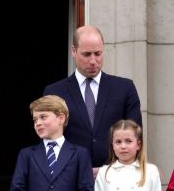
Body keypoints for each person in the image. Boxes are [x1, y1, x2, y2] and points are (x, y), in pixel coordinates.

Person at [43, 25, 142, 177]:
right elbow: (50, 141)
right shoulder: (54, 92)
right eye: (87, 54)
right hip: (70, 178)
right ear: (73, 51)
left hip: (117, 177)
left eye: (98, 53)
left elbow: (134, 135)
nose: (93, 61)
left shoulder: (124, 88)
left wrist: (108, 171)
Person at [10, 95, 94, 191]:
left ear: (61, 118)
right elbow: (17, 188)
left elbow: (86, 188)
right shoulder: (26, 154)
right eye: (35, 119)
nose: (38, 123)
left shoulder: (80, 154)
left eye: (43, 117)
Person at [94, 119, 161, 190]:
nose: (123, 146)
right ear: (112, 145)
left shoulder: (151, 171)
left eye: (128, 141)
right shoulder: (104, 173)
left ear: (138, 145)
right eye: (118, 142)